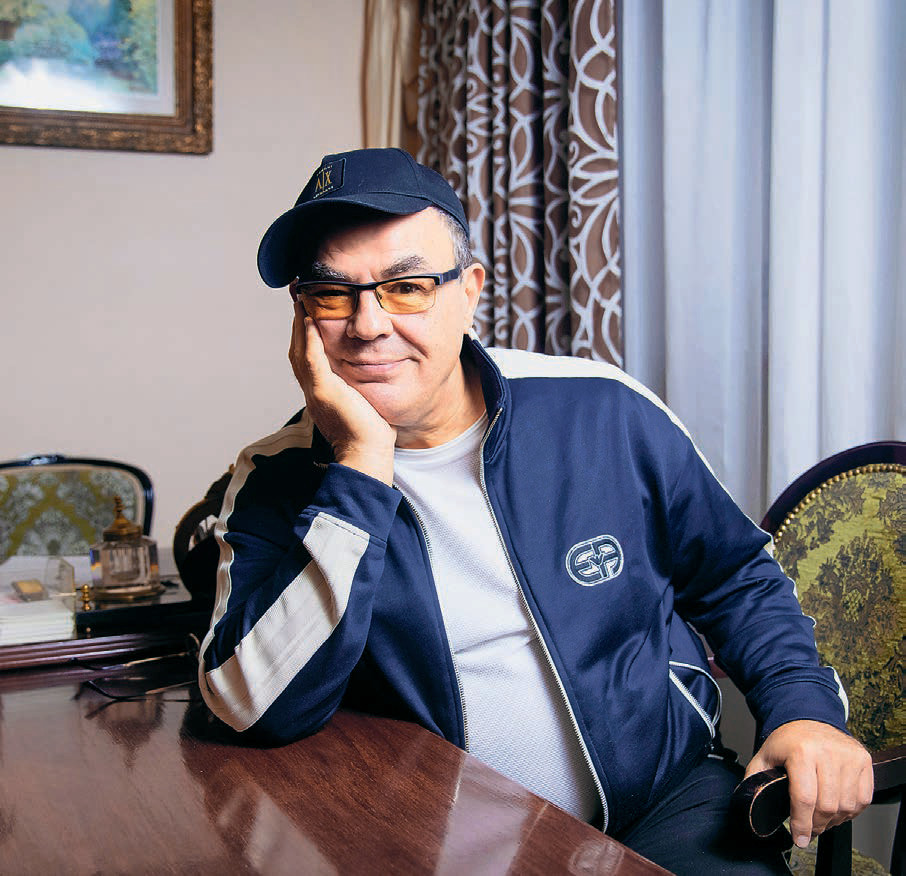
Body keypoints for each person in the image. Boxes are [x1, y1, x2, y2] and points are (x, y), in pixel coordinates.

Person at [198, 148, 872, 874]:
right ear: (303, 317)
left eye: (407, 287)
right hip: (434, 842)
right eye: (332, 294)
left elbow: (736, 576)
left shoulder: (602, 410)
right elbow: (251, 705)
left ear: (469, 292)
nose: (367, 325)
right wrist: (359, 465)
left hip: (666, 805)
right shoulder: (273, 476)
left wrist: (803, 707)